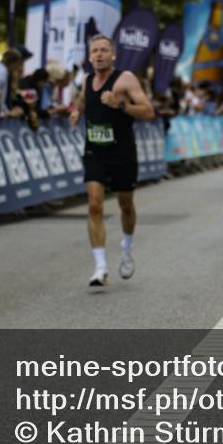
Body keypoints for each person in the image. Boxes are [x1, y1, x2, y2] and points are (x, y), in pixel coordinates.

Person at [69, 35, 155, 288]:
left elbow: (148, 112)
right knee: (94, 205)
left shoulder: (125, 79)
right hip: (95, 151)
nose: (98, 55)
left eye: (104, 50)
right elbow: (83, 101)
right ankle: (100, 266)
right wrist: (76, 112)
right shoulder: (86, 81)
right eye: (94, 51)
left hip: (122, 152)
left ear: (113, 55)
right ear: (89, 56)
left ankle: (126, 248)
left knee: (125, 204)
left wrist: (119, 105)